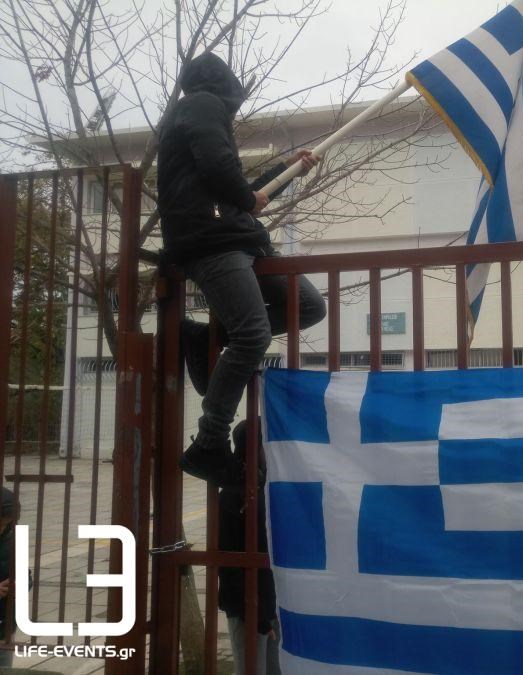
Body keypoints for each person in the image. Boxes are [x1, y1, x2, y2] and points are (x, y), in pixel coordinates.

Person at [157, 51, 326, 486]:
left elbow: (241, 194)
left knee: (309, 306)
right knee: (253, 334)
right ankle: (208, 442)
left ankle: (205, 338)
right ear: (224, 85)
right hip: (212, 242)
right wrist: (248, 199)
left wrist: (289, 170)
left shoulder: (202, 118)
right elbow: (224, 173)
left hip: (240, 237)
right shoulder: (200, 103)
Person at [219, 419, 280, 675]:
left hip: (272, 604)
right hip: (247, 608)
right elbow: (229, 563)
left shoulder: (269, 488)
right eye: (267, 444)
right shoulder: (235, 496)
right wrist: (256, 614)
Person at [0, 487, 21, 667]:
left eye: (5, 524)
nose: (2, 529)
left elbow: (26, 575)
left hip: (4, 623)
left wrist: (20, 583)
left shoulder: (12, 538)